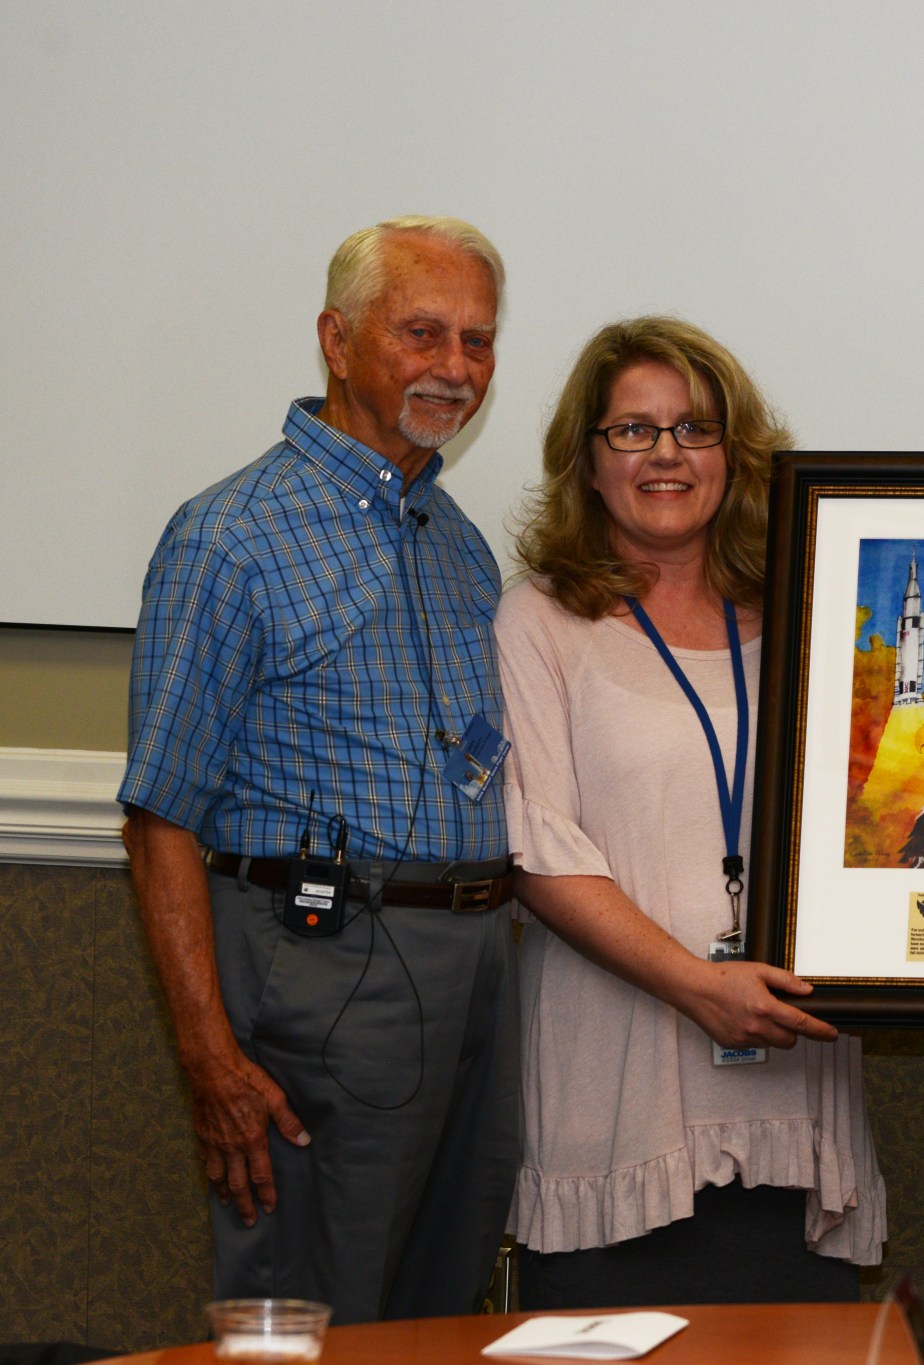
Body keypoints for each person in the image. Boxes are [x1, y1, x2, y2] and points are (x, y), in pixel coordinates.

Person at [118, 216, 519, 1324]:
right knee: (311, 1314)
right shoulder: (228, 537)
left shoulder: (456, 539)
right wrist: (208, 1058)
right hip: (323, 967)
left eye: (478, 341)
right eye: (422, 333)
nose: (454, 368)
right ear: (337, 343)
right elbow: (158, 822)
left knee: (444, 1311)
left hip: (479, 965)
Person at [496, 316, 884, 1308]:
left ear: (734, 455)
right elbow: (540, 853)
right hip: (615, 1090)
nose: (666, 454)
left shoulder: (811, 609)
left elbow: (879, 826)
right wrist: (696, 986)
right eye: (633, 431)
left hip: (788, 1084)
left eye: (694, 429)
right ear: (586, 462)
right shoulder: (542, 621)